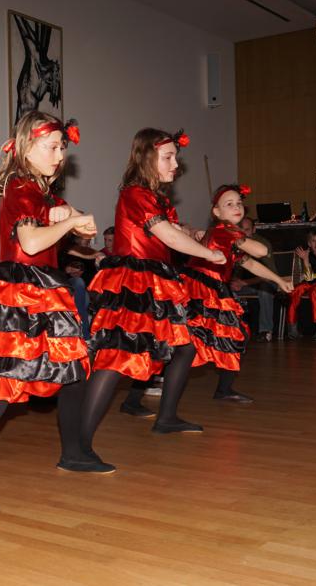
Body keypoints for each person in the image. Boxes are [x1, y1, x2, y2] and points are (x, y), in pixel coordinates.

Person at [0, 112, 99, 517]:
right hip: (20, 295)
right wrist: (70, 222)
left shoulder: (41, 191)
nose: (60, 155)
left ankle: (73, 453)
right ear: (27, 148)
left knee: (73, 372)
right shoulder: (20, 185)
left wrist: (70, 220)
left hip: (44, 291)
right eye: (52, 147)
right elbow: (30, 243)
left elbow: (69, 229)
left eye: (62, 147)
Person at [82, 128, 224, 464]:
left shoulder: (154, 196)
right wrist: (209, 254)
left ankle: (166, 417)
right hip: (134, 281)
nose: (176, 164)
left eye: (176, 157)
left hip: (154, 280)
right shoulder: (135, 193)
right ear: (147, 158)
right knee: (116, 358)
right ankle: (78, 444)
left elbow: (171, 232)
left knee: (185, 346)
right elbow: (167, 236)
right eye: (168, 157)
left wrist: (191, 233)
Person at [181, 185, 293, 408]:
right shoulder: (223, 230)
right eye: (229, 204)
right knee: (184, 343)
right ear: (217, 212)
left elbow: (250, 263)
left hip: (213, 289)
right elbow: (261, 251)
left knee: (231, 335)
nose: (236, 207)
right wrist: (240, 237)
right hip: (200, 289)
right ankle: (143, 391)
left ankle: (224, 389)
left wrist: (279, 280)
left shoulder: (228, 234)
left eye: (239, 203)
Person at [233, 216, 279, 342]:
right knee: (224, 290)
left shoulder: (262, 244)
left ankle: (266, 331)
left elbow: (268, 275)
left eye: (247, 230)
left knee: (265, 290)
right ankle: (233, 329)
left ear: (254, 230)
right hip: (246, 284)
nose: (243, 233)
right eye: (241, 230)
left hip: (267, 282)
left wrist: (243, 282)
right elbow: (235, 268)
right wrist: (234, 282)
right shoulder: (237, 243)